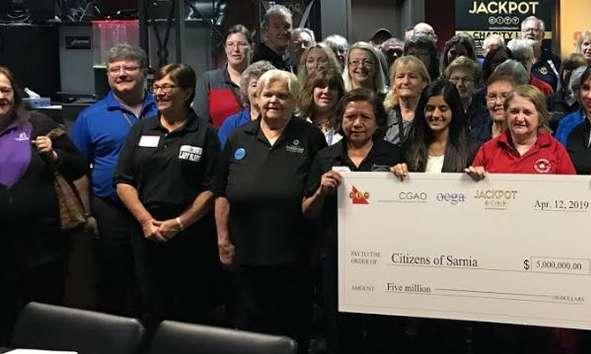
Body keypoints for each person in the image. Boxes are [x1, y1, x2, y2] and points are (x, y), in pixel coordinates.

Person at [214, 69, 327, 351]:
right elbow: (221, 194)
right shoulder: (238, 137)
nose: (274, 100)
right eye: (268, 94)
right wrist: (222, 240)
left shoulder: (311, 137)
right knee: (251, 333)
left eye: (282, 95)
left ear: (295, 100)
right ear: (257, 97)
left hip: (295, 258)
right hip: (247, 256)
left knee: (293, 331)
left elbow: (319, 196)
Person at [465, 85, 574, 353]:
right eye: (514, 111)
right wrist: (472, 181)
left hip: (540, 258)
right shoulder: (489, 151)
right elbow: (470, 207)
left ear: (540, 116)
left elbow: (573, 205)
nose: (519, 118)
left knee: (537, 335)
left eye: (527, 112)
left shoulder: (556, 152)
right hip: (497, 258)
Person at [114, 63, 220, 329]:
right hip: (145, 232)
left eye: (167, 87)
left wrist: (180, 223)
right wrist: (146, 221)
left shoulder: (205, 133)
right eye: (156, 87)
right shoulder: (141, 129)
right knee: (147, 306)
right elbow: (122, 180)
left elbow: (212, 187)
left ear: (186, 92)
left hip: (189, 234)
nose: (159, 93)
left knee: (188, 310)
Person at [302, 88, 405, 354]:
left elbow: (408, 211)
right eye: (350, 117)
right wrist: (320, 193)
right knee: (339, 330)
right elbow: (307, 210)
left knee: (381, 331)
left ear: (377, 122)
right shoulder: (325, 157)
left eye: (365, 117)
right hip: (335, 258)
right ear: (340, 120)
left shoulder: (393, 156)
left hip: (382, 258)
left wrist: (403, 180)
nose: (357, 123)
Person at [0, 66, 87, 345]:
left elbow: (78, 166)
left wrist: (55, 155)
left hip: (43, 246)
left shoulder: (38, 123)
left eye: (4, 89)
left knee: (44, 318)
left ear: (15, 94)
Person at [71, 43, 157, 317]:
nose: (121, 74)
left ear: (145, 73)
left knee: (153, 282)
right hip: (110, 211)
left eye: (129, 68)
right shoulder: (90, 117)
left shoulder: (164, 109)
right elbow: (77, 168)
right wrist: (86, 213)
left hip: (157, 208)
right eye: (114, 69)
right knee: (112, 283)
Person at [393, 80, 480, 175]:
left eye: (443, 109)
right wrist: (398, 171)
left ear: (454, 111)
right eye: (430, 109)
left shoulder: (471, 150)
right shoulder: (409, 148)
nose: (435, 114)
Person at [195, 25, 252, 127]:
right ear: (225, 49)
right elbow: (200, 122)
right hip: (218, 141)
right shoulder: (209, 80)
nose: (235, 49)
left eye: (241, 44)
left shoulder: (262, 80)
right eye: (230, 44)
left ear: (252, 47)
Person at [218, 61, 276, 144]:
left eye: (265, 84)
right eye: (254, 85)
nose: (259, 90)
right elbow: (220, 155)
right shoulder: (232, 124)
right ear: (246, 90)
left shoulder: (281, 123)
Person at [383, 56, 429, 145]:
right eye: (400, 77)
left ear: (424, 83)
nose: (406, 81)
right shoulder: (384, 114)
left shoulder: (431, 113)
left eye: (412, 76)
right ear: (393, 83)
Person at [300, 69, 346, 145]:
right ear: (311, 90)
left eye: (332, 87)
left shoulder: (345, 125)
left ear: (339, 94)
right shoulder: (296, 123)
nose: (326, 91)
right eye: (321, 86)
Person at [471, 71, 520, 142]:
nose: (498, 102)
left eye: (504, 96)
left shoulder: (525, 136)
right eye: (492, 97)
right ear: (486, 100)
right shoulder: (474, 137)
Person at [521, 16, 561, 91]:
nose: (530, 33)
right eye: (527, 30)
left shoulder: (554, 60)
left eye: (535, 30)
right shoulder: (513, 59)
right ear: (522, 34)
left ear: (543, 35)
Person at [251, 5, 293, 71]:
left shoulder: (291, 61)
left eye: (286, 26)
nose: (283, 32)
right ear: (265, 30)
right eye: (277, 27)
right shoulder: (258, 64)